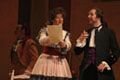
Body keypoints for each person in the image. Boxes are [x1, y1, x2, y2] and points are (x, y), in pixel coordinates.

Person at [74, 8, 120, 80]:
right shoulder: (86, 32)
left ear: (98, 17)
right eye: (88, 14)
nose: (88, 16)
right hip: (87, 70)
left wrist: (105, 64)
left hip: (101, 71)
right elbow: (77, 52)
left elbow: (116, 52)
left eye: (91, 14)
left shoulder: (108, 32)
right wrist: (80, 40)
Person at [30, 7, 72, 80]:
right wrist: (52, 37)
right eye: (57, 18)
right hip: (46, 59)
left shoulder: (65, 33)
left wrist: (64, 45)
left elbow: (68, 45)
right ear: (52, 19)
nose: (60, 20)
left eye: (61, 18)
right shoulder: (46, 30)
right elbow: (41, 41)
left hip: (59, 61)